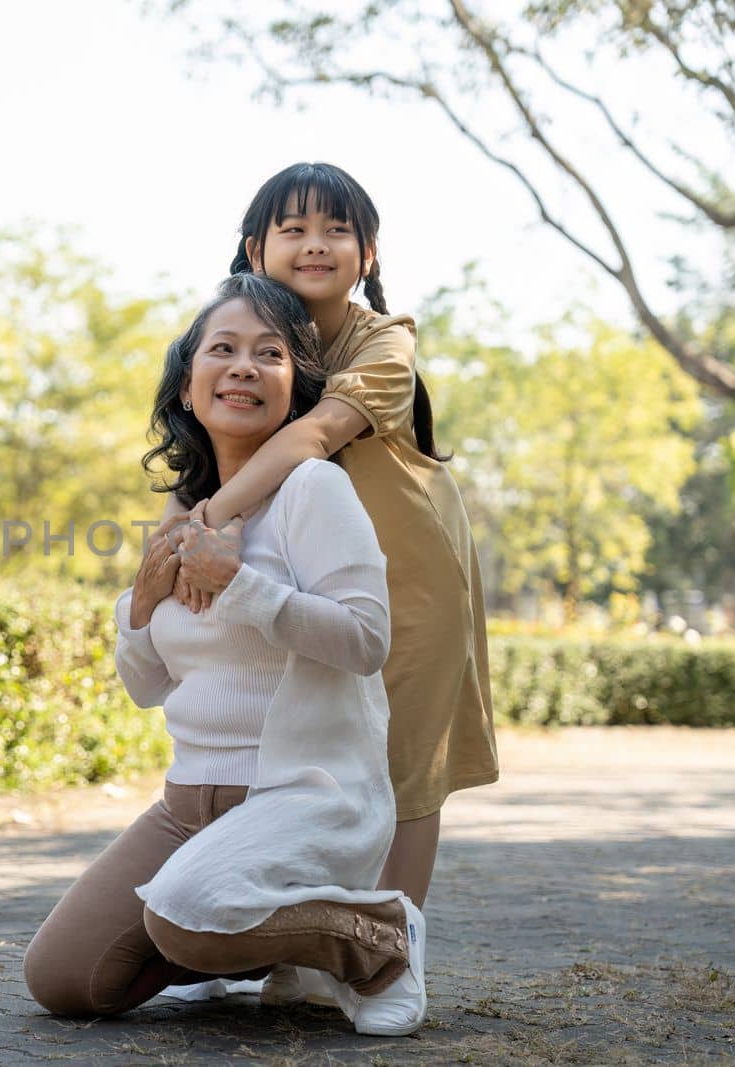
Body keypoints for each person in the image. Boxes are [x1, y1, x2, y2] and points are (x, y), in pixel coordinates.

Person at [23, 273, 428, 1037]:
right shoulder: (185, 507)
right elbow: (148, 685)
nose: (244, 365)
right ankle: (222, 946)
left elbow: (367, 642)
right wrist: (139, 611)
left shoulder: (314, 490)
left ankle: (380, 938)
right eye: (224, 349)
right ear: (185, 386)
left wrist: (238, 585)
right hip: (187, 803)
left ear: (295, 392)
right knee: (64, 979)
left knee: (187, 919)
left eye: (269, 354)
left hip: (299, 792)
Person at [170, 163, 499, 913]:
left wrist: (213, 518)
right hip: (309, 570)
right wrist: (177, 533)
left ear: (368, 253)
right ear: (256, 248)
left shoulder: (384, 341)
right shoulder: (244, 331)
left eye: (336, 230)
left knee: (405, 763)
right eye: (294, 229)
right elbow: (203, 436)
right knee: (310, 759)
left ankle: (395, 947)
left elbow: (315, 434)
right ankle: (315, 938)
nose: (314, 244)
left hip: (413, 569)